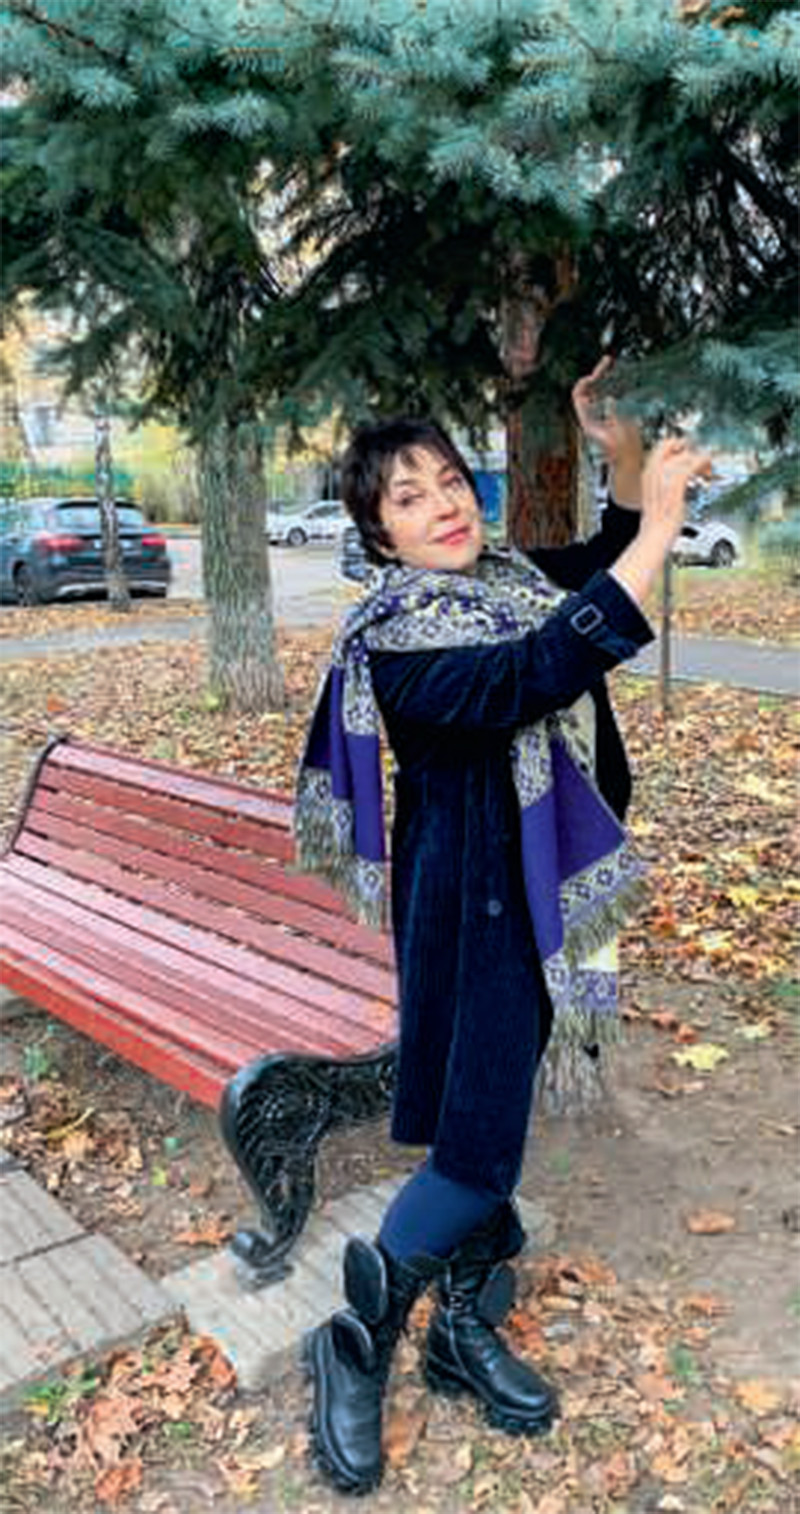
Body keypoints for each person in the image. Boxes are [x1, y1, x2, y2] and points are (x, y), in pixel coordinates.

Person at [294, 358, 710, 1495]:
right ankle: (351, 1343)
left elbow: (593, 560)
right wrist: (661, 532)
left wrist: (620, 456)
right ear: (379, 535)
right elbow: (541, 667)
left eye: (448, 480)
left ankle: (460, 1331)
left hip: (533, 900)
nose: (443, 504)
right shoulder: (401, 636)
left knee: (494, 1115)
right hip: (476, 907)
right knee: (477, 1148)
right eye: (409, 496)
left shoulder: (508, 576)